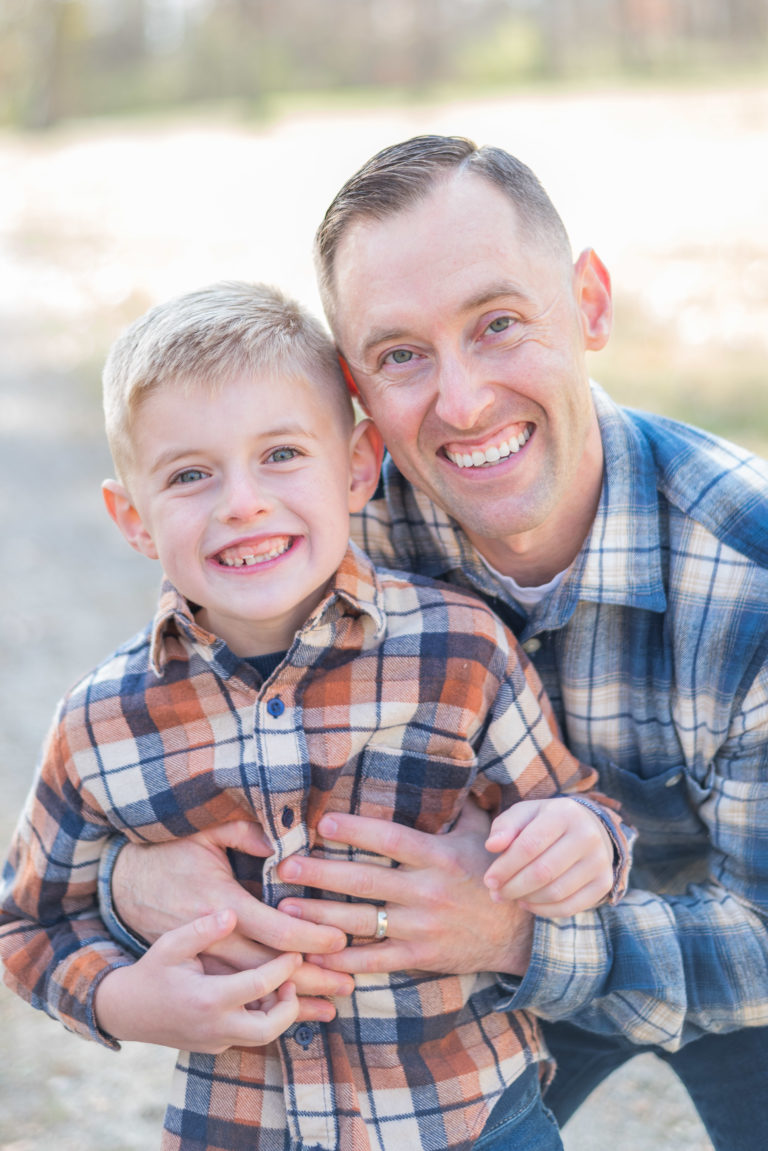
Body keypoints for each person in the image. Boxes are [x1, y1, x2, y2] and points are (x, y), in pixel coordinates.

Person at [100, 137, 768, 1151]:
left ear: (588, 303)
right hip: (475, 974)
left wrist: (511, 930)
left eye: (499, 324)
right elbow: (162, 739)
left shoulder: (748, 570)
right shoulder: (323, 529)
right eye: (401, 353)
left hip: (703, 949)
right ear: (352, 389)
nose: (461, 403)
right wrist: (132, 879)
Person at [0, 280, 634, 1151]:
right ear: (132, 518)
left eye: (282, 454)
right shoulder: (102, 722)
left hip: (470, 1116)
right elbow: (30, 919)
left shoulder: (459, 652)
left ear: (358, 466)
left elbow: (579, 808)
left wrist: (578, 838)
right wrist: (123, 998)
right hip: (241, 1126)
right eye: (190, 474)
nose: (241, 502)